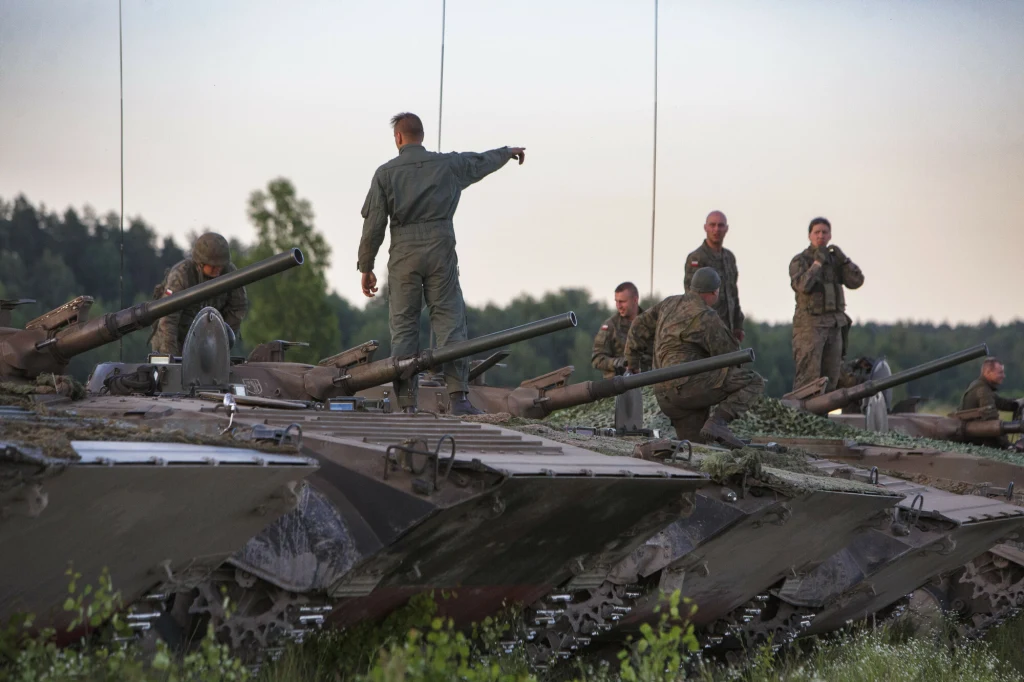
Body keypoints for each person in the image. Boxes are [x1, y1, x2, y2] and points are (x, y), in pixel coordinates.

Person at [357, 112, 526, 415]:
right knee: (449, 322)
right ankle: (459, 397)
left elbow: (374, 226)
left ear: (398, 138)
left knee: (405, 327)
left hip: (404, 253)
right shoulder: (447, 164)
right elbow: (478, 162)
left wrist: (366, 267)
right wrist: (507, 153)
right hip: (440, 247)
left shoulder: (385, 174)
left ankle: (407, 404)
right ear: (421, 135)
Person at [625, 267, 764, 448]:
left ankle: (707, 435)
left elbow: (638, 324)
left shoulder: (669, 304)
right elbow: (733, 357)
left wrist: (632, 363)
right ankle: (719, 423)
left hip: (663, 394)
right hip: (688, 389)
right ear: (715, 291)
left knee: (697, 448)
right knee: (754, 381)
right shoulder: (706, 316)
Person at [789, 217, 864, 392]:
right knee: (808, 379)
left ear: (830, 235)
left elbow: (856, 281)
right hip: (810, 328)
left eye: (824, 232)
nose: (821, 236)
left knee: (832, 377)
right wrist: (817, 263)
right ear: (810, 236)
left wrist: (845, 261)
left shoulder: (835, 261)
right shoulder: (801, 260)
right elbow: (802, 286)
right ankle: (802, 417)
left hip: (834, 326)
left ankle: (824, 417)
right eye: (817, 232)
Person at [150, 232, 248, 356]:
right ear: (200, 263)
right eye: (213, 266)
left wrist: (220, 341)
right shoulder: (182, 275)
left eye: (221, 266)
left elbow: (238, 307)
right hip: (174, 338)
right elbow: (168, 319)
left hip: (208, 341)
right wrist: (171, 358)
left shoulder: (229, 273)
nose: (218, 269)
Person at [683, 210, 744, 341]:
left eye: (721, 225)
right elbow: (692, 297)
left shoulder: (729, 258)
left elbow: (733, 293)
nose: (716, 229)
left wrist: (738, 324)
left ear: (727, 229)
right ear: (705, 227)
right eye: (712, 225)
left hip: (728, 329)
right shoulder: (697, 258)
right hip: (706, 329)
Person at [960, 357, 1024, 448]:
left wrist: (1018, 403)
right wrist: (1008, 446)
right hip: (979, 442)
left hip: (977, 438)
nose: (1003, 376)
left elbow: (1002, 403)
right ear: (988, 373)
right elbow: (992, 422)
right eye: (1000, 372)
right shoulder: (982, 390)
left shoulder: (981, 386)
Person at [592, 281, 644, 378]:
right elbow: (597, 359)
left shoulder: (650, 322)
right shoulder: (610, 326)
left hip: (648, 382)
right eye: (616, 301)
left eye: (622, 302)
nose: (618, 306)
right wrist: (622, 363)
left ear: (635, 300)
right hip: (619, 385)